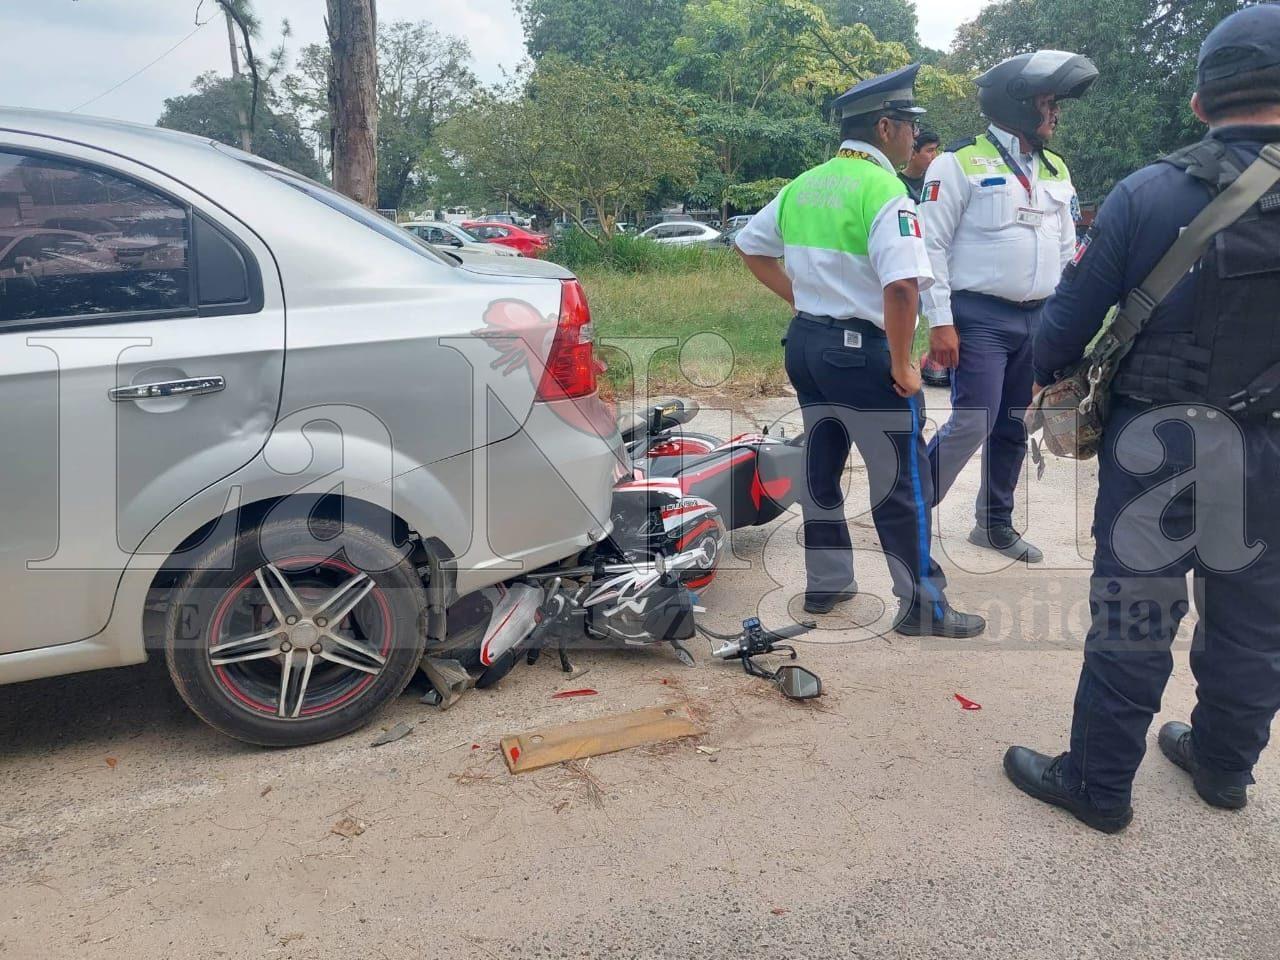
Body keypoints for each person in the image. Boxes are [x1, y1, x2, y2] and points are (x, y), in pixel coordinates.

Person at [1003, 4, 1280, 833]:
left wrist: (1049, 378)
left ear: (1200, 102)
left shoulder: (1149, 192)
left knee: (1135, 612)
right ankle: (1226, 768)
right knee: (1259, 610)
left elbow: (1060, 328)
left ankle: (1098, 783)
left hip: (1159, 440)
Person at [735, 64, 984, 638]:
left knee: (821, 466)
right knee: (902, 480)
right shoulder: (884, 190)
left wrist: (802, 298)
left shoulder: (806, 183)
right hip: (860, 352)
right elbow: (901, 286)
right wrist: (901, 362)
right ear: (885, 127)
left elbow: (750, 246)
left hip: (807, 347)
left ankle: (827, 583)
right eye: (907, 127)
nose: (911, 139)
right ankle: (924, 607)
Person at [918, 51, 1098, 563]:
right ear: (1017, 106)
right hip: (979, 317)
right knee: (974, 419)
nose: (1055, 114)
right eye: (1048, 103)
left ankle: (994, 524)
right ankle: (910, 509)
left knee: (1017, 421)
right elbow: (930, 247)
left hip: (1039, 318)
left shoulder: (1055, 168)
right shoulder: (957, 164)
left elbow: (1068, 253)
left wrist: (1067, 324)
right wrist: (941, 322)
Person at [899, 130, 941, 200]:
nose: (935, 156)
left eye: (936, 150)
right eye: (930, 151)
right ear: (913, 153)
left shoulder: (934, 180)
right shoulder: (898, 183)